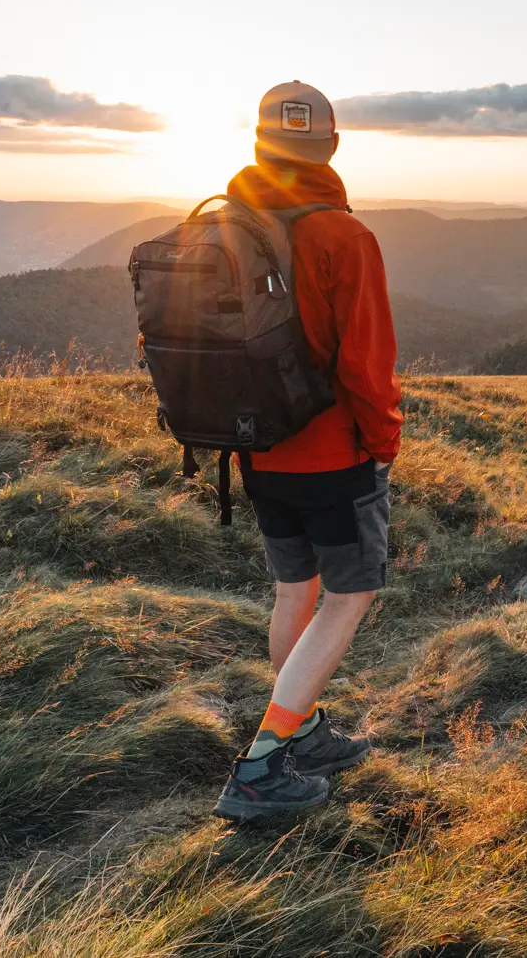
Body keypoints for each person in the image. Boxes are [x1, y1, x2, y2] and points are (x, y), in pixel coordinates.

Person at [211, 81, 403, 821]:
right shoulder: (346, 238)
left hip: (259, 454)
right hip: (334, 458)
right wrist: (383, 446)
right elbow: (366, 366)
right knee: (348, 597)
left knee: (298, 592)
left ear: (260, 144)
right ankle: (260, 765)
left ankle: (305, 730)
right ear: (329, 148)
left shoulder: (229, 226)